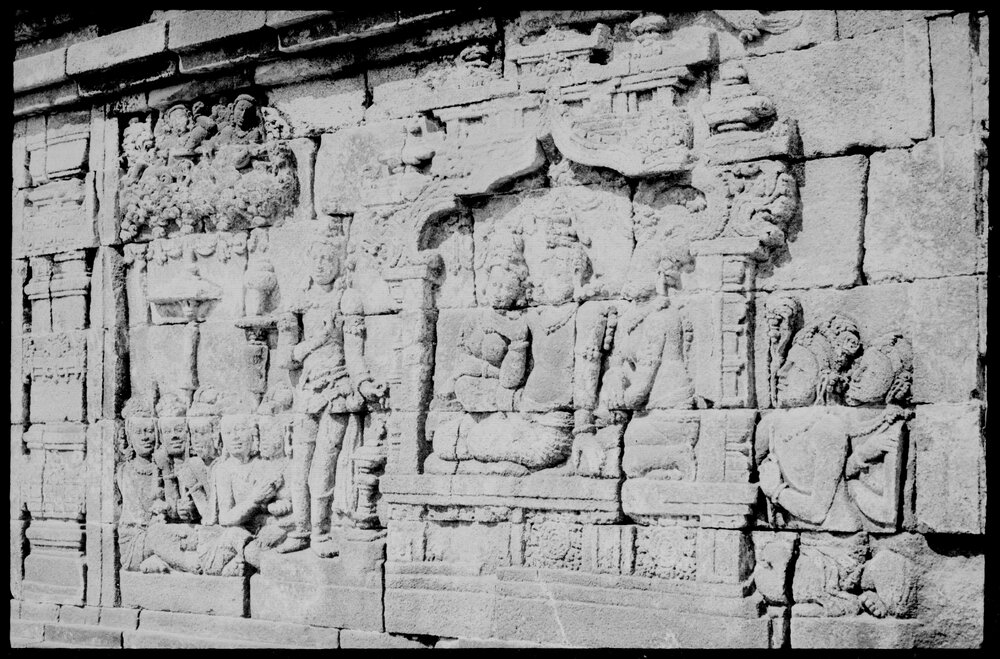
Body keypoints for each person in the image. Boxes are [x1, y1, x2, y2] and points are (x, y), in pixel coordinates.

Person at [275, 222, 386, 557]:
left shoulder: (346, 299)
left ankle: (321, 533)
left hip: (337, 391)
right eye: (316, 258)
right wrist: (319, 339)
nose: (321, 264)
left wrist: (364, 383)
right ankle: (300, 530)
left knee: (323, 467)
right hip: (307, 391)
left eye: (328, 258)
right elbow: (285, 359)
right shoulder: (298, 303)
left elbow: (354, 354)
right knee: (299, 467)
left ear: (339, 263)